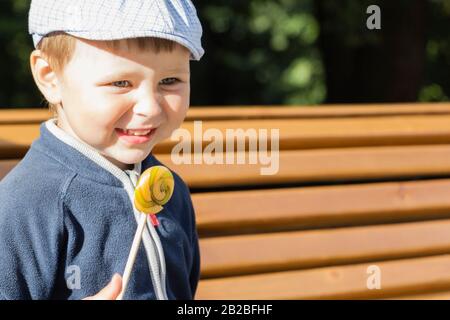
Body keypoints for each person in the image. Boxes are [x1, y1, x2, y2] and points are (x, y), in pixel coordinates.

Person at [0, 0, 204, 300]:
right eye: (120, 82)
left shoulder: (171, 192)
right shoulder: (26, 204)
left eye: (170, 81)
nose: (149, 108)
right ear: (50, 76)